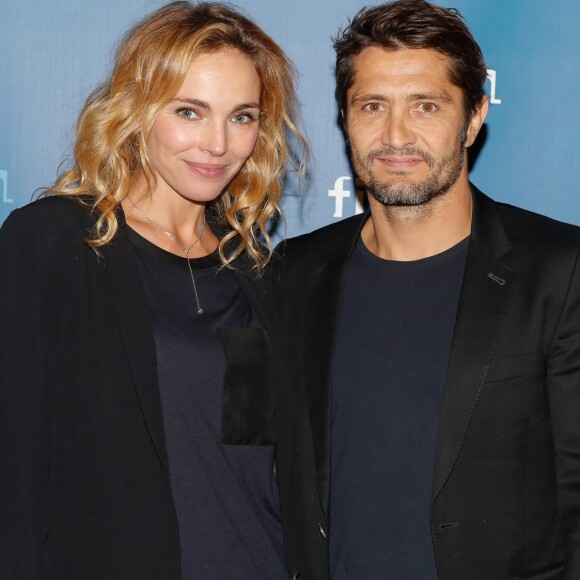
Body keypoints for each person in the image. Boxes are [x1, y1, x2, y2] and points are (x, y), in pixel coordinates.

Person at [272, 0, 580, 578]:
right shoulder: (292, 272)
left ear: (473, 116)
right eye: (372, 106)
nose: (396, 135)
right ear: (345, 116)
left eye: (426, 106)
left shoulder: (561, 273)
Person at [0, 2, 305, 578]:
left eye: (242, 116)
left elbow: (246, 452)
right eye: (190, 111)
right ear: (138, 109)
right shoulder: (56, 244)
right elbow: (13, 469)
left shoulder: (253, 271)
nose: (217, 143)